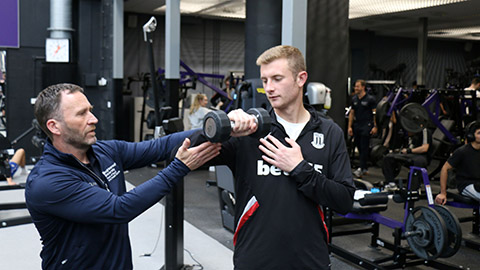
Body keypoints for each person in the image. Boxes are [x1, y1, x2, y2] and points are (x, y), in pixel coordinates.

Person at [187, 45, 355, 269]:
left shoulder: (328, 132)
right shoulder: (250, 130)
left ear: (300, 78)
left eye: (277, 79)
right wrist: (221, 127)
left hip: (310, 261)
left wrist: (300, 168)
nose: (269, 88)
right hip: (255, 261)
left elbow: (344, 200)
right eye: (265, 80)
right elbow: (185, 156)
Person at [25, 83, 221, 269]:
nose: (93, 119)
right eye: (81, 114)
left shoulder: (104, 151)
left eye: (90, 110)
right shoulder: (48, 181)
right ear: (54, 126)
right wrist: (179, 167)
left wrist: (215, 128)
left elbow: (160, 146)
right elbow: (119, 209)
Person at [435, 121, 480, 204]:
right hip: (466, 185)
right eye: (479, 133)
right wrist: (443, 193)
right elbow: (445, 169)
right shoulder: (462, 152)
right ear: (471, 136)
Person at [348, 79, 377, 178]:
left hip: (367, 125)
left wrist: (375, 126)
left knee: (364, 147)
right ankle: (364, 167)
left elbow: (374, 113)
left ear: (363, 87)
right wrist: (349, 126)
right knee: (359, 147)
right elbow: (352, 113)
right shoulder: (354, 99)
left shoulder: (370, 99)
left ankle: (361, 168)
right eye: (355, 86)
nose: (355, 88)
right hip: (357, 125)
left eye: (357, 86)